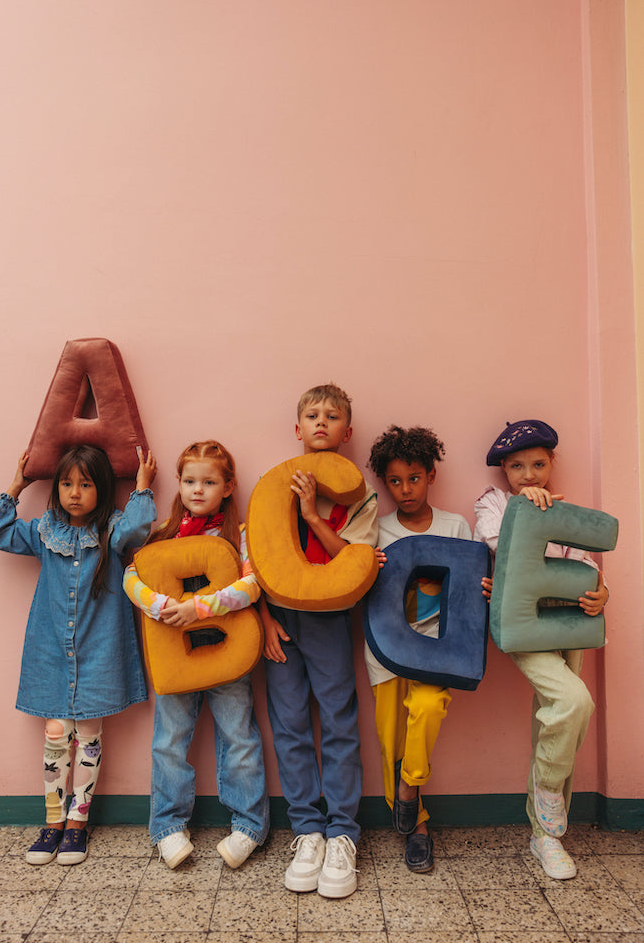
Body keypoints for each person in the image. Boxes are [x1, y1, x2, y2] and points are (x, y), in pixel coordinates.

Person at [0, 445, 157, 865]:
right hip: (52, 653)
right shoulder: (45, 532)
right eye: (66, 483)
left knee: (90, 734)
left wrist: (143, 487)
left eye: (86, 484)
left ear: (103, 488)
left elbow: (138, 530)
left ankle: (78, 824)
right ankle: (52, 823)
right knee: (56, 735)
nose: (74, 492)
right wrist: (17, 483)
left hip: (99, 652)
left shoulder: (112, 532)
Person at [123, 441, 269, 871]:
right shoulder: (165, 531)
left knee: (239, 737)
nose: (197, 489)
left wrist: (199, 607)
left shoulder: (238, 535)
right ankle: (167, 828)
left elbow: (253, 584)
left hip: (227, 652)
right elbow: (133, 575)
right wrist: (155, 603)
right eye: (189, 481)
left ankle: (249, 825)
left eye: (209, 482)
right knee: (169, 740)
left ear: (228, 486)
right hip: (174, 656)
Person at [474, 419, 609, 880]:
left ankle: (545, 836)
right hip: (521, 617)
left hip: (570, 618)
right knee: (574, 701)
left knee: (562, 718)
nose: (529, 474)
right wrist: (530, 511)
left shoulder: (563, 508)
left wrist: (601, 592)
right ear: (504, 471)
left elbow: (586, 562)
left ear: (551, 463)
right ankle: (548, 805)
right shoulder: (494, 502)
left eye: (538, 464)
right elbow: (498, 543)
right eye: (517, 467)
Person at [259, 383, 378, 899]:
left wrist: (311, 515)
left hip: (329, 618)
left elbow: (353, 560)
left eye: (332, 416)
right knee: (288, 720)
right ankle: (306, 828)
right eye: (312, 415)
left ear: (347, 431)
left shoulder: (361, 496)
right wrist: (263, 617)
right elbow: (258, 560)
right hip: (279, 617)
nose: (322, 423)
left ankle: (342, 832)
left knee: (337, 719)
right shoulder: (273, 488)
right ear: (298, 428)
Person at [366, 425, 471, 874]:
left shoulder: (455, 526)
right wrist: (364, 568)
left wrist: (481, 587)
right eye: (394, 481)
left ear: (430, 475)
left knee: (427, 710)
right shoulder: (376, 531)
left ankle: (410, 792)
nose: (405, 490)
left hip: (436, 649)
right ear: (384, 483)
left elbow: (465, 589)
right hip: (386, 650)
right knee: (390, 738)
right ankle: (418, 828)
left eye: (413, 478)